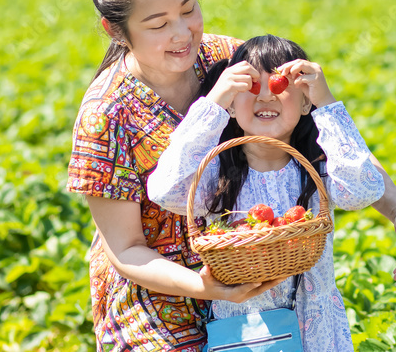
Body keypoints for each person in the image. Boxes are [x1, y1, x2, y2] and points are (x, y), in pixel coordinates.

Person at [68, 0, 396, 351]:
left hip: (264, 281)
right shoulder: (106, 113)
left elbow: (318, 137)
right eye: (158, 24)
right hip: (159, 300)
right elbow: (126, 249)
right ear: (116, 30)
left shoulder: (227, 58)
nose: (182, 33)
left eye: (188, 9)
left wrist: (395, 203)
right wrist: (208, 287)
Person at [148, 34, 382, 351]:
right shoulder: (218, 177)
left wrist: (327, 103)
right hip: (245, 334)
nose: (265, 97)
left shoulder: (318, 169)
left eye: (280, 86)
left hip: (318, 332)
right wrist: (213, 102)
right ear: (230, 106)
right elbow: (165, 189)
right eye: (250, 87)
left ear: (304, 102)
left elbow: (363, 190)